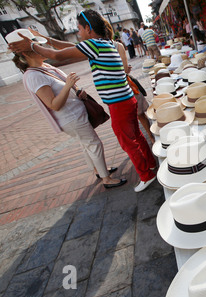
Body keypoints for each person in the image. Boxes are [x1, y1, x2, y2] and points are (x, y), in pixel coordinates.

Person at [9, 10, 158, 192]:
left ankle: (146, 175)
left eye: (79, 28)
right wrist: (44, 40)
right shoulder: (106, 43)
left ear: (88, 28)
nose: (78, 32)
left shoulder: (93, 45)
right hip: (127, 99)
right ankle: (150, 164)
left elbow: (58, 55)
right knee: (136, 135)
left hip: (119, 103)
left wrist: (31, 46)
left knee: (128, 142)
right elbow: (68, 46)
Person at [7, 29, 126, 189]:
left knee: (87, 144)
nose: (42, 51)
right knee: (93, 144)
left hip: (75, 114)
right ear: (28, 53)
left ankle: (99, 170)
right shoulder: (33, 76)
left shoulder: (45, 67)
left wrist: (75, 90)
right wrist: (68, 85)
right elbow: (53, 104)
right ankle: (106, 178)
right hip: (71, 118)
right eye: (37, 48)